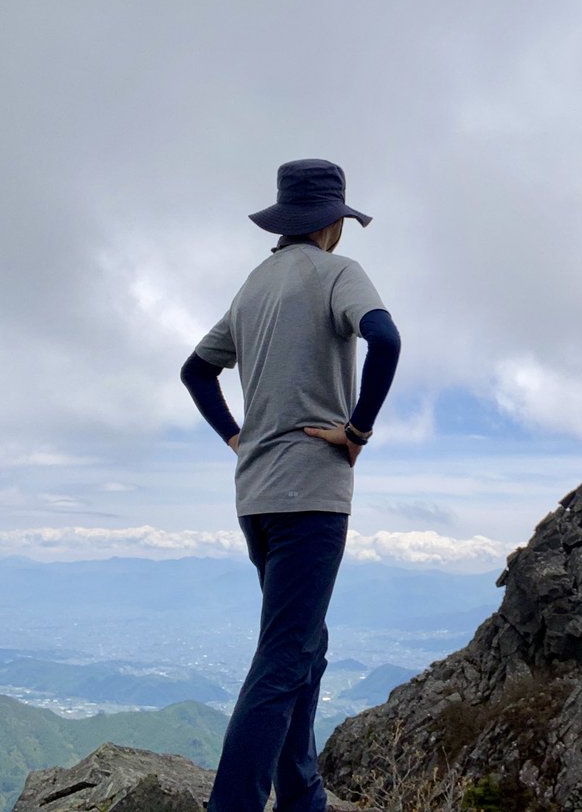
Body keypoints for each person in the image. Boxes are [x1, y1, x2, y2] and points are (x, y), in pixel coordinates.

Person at [180, 158, 400, 812]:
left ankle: (302, 792)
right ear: (334, 222)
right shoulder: (337, 274)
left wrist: (235, 435)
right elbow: (385, 340)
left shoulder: (253, 287)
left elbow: (197, 371)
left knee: (308, 645)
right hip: (311, 497)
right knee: (283, 660)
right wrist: (357, 432)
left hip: (256, 499)